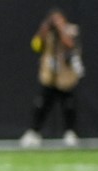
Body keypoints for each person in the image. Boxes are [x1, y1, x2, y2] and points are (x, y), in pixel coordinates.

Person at [19, 10, 83, 148]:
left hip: (64, 77)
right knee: (41, 105)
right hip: (50, 77)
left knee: (68, 106)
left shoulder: (70, 30)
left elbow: (70, 45)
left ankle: (70, 133)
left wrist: (61, 29)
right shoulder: (47, 33)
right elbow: (36, 45)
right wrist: (44, 28)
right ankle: (34, 132)